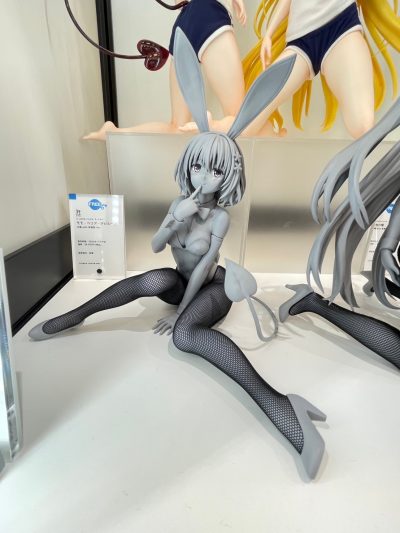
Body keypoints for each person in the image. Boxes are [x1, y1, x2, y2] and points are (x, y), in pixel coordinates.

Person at [28, 32, 326, 479]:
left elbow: (204, 267)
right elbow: (154, 248)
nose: (204, 177)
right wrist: (174, 218)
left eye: (216, 170)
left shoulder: (221, 219)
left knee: (184, 335)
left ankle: (284, 407)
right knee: (151, 280)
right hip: (181, 279)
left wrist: (182, 311)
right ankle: (75, 316)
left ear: (229, 175)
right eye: (198, 166)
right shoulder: (180, 204)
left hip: (211, 289)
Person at [190, 0, 400, 138]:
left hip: (341, 26)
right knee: (248, 120)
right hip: (301, 42)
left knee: (362, 126)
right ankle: (213, 128)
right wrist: (269, 34)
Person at [83, 0, 263, 140]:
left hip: (183, 24)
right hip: (210, 15)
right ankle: (210, 125)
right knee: (240, 119)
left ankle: (114, 132)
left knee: (178, 126)